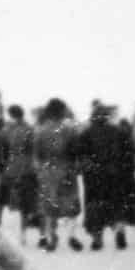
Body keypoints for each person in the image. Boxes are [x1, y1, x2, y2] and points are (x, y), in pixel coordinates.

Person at [77, 101, 135, 250]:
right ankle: (119, 231)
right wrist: (128, 171)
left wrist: (87, 169)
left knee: (95, 207)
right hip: (117, 176)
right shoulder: (120, 132)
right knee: (117, 206)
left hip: (94, 177)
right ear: (107, 117)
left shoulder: (86, 134)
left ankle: (97, 238)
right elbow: (131, 153)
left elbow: (80, 155)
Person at [32, 97, 79, 252]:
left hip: (47, 172)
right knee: (71, 205)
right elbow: (74, 153)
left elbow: (37, 155)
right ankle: (72, 236)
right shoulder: (69, 130)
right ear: (61, 112)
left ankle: (51, 236)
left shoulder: (40, 130)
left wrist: (40, 171)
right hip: (66, 170)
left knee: (49, 206)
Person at [0, 103, 38, 235]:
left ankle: (1, 229)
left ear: (11, 115)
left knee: (6, 199)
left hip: (11, 169)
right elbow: (33, 150)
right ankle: (23, 231)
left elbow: (3, 150)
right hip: (27, 169)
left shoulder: (7, 130)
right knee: (26, 203)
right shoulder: (29, 129)